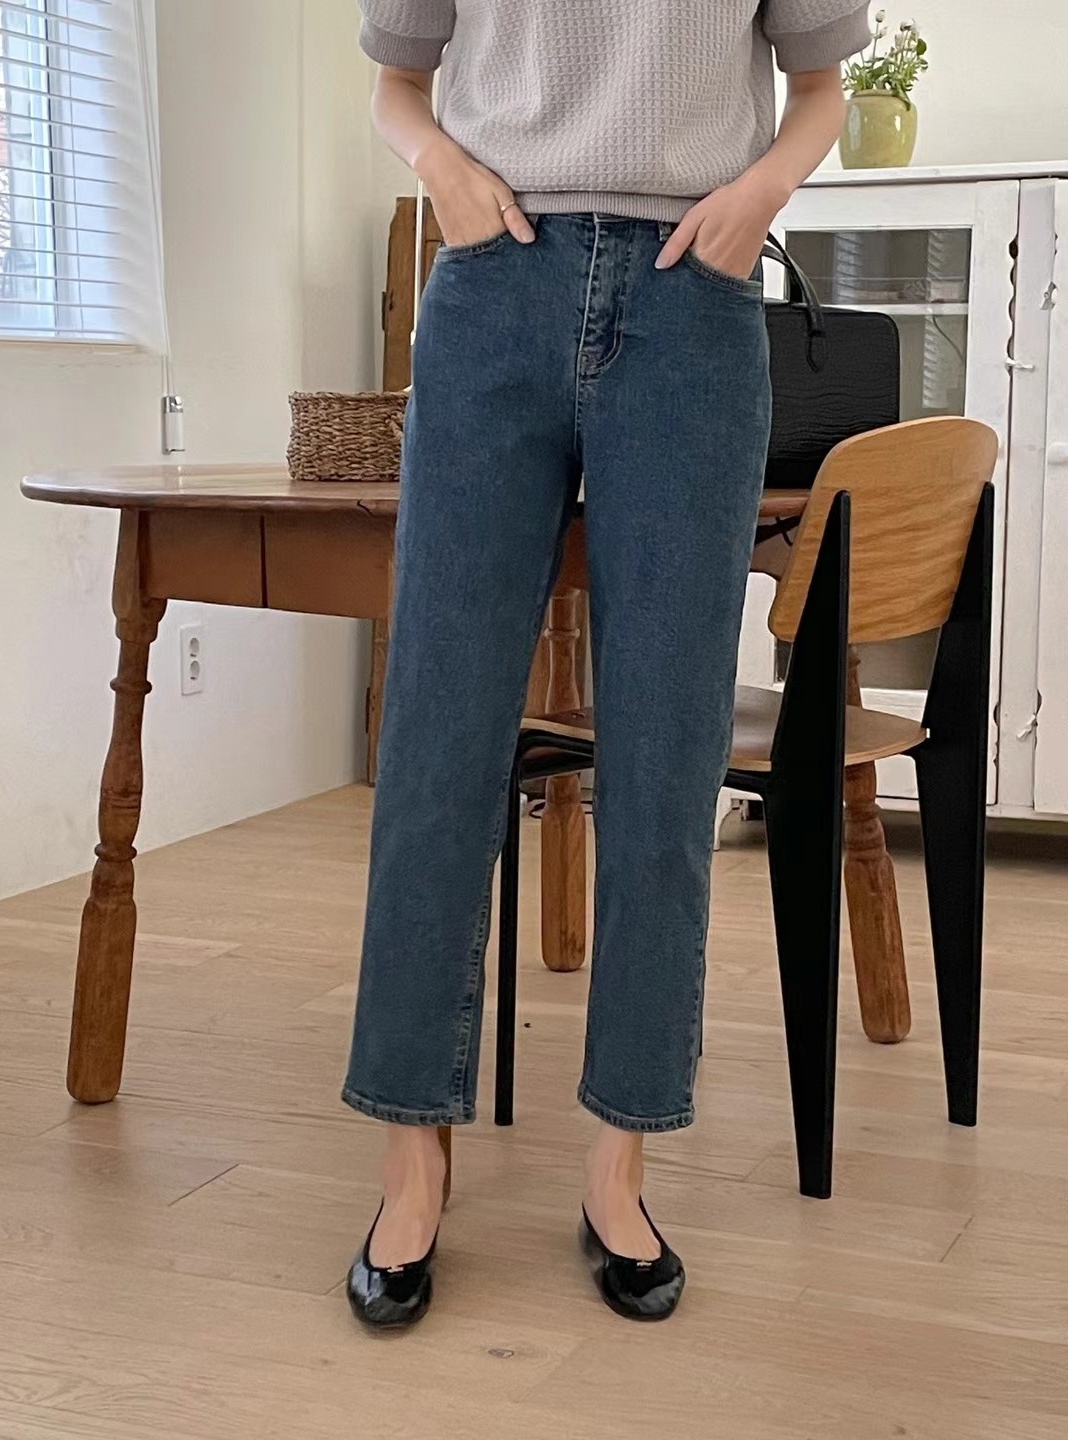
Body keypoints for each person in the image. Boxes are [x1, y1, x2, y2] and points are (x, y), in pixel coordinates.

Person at [344, 0, 870, 1328]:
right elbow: (397, 83)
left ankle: (620, 1164)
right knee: (435, 742)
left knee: (667, 754)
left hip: (695, 299)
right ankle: (411, 1158)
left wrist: (756, 198)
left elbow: (820, 91)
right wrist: (444, 172)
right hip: (493, 288)